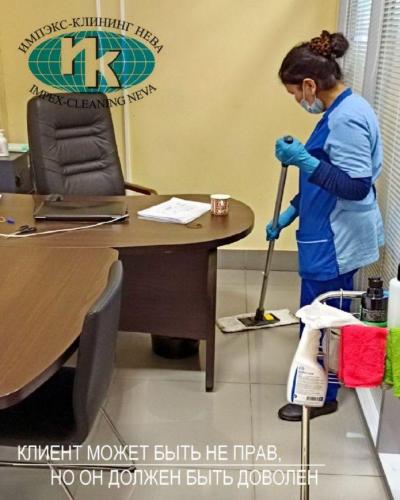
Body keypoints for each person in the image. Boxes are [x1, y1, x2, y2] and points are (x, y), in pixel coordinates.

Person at [266, 30, 384, 421]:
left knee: (323, 317)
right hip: (326, 230)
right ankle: (321, 381)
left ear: (309, 85)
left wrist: (303, 160)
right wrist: (291, 212)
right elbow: (326, 175)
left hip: (336, 238)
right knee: (321, 311)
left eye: (294, 93)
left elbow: (355, 185)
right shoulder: (343, 109)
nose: (298, 100)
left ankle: (319, 396)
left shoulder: (347, 119)